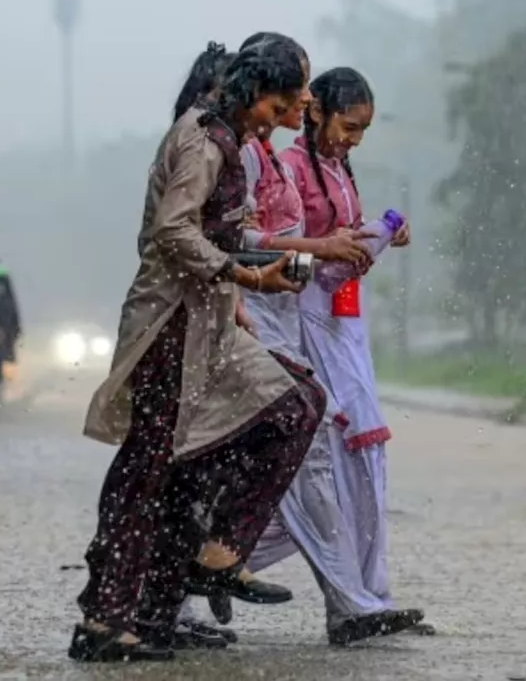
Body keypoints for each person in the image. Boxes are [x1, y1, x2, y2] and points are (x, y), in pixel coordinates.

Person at [69, 41, 326, 664]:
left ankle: (210, 562)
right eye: (279, 102)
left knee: (292, 406)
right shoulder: (204, 139)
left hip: (208, 322)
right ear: (251, 90)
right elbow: (172, 231)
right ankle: (106, 618)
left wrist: (260, 267)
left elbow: (220, 230)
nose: (282, 115)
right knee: (150, 467)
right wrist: (246, 278)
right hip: (169, 325)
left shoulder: (231, 140)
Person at [174, 38, 419, 647]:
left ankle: (223, 572)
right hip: (260, 318)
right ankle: (330, 597)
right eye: (298, 90)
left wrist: (350, 242)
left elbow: (261, 240)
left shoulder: (268, 157)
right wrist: (305, 258)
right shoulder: (236, 153)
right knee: (292, 458)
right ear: (268, 93)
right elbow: (216, 240)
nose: (304, 98)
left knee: (314, 462)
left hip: (296, 316)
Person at [278, 67, 430, 643]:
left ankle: (369, 596)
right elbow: (273, 248)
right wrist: (331, 250)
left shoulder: (340, 169)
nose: (353, 140)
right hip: (302, 323)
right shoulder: (287, 170)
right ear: (314, 111)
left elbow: (340, 246)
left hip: (345, 325)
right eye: (348, 125)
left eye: (363, 130)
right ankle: (351, 602)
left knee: (364, 465)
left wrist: (377, 234)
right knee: (320, 468)